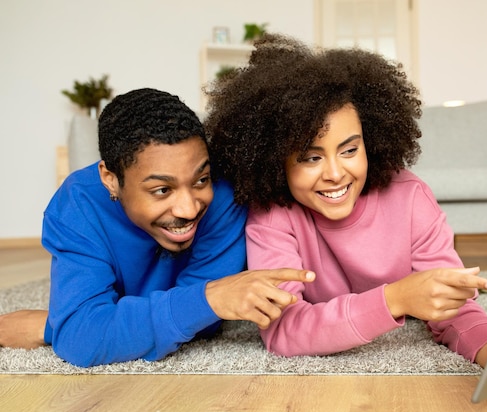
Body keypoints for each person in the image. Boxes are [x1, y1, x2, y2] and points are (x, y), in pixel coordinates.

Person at [204, 34, 487, 397]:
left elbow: (456, 311)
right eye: (311, 157)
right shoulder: (272, 213)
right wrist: (395, 299)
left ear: (372, 141)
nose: (335, 173)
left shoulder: (410, 198)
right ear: (275, 159)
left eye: (349, 150)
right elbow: (284, 331)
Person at [0, 88, 314, 367]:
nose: (189, 208)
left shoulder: (225, 197)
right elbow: (82, 340)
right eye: (162, 190)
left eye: (200, 180)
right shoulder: (78, 205)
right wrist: (207, 299)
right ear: (111, 180)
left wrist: (59, 326)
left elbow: (204, 324)